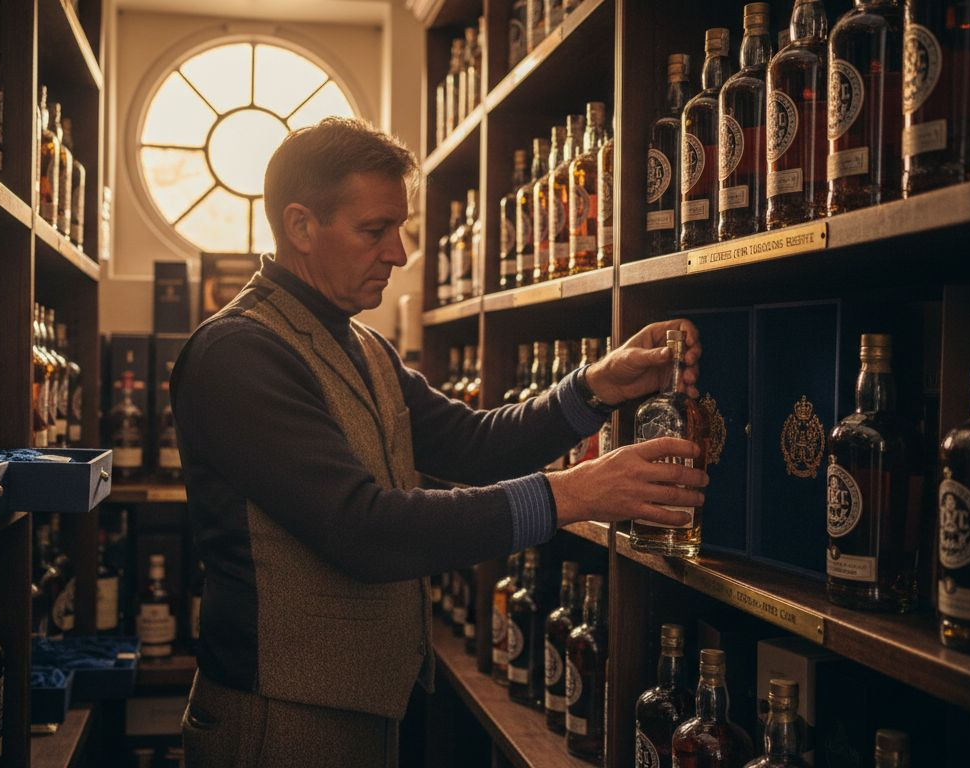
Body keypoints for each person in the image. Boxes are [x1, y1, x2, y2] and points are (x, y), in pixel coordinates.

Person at [171, 117, 707, 768]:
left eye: (400, 229)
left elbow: (471, 444)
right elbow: (363, 530)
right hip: (277, 717)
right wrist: (574, 494)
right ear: (301, 227)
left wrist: (595, 387)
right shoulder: (238, 352)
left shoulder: (362, 343)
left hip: (363, 702)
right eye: (375, 230)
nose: (398, 254)